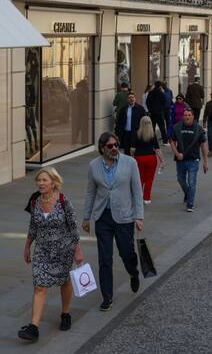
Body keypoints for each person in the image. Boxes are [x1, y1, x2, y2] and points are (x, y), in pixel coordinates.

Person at [18, 168, 83, 342]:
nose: (40, 183)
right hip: (42, 251)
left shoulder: (63, 201)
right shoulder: (34, 202)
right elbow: (33, 226)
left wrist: (77, 250)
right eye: (38, 180)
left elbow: (73, 227)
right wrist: (27, 247)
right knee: (39, 286)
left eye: (44, 180)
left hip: (63, 250)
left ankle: (65, 313)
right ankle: (33, 327)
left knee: (65, 281)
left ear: (53, 182)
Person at [82, 132, 143, 312]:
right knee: (105, 258)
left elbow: (137, 191)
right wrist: (86, 217)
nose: (114, 148)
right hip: (103, 218)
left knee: (127, 253)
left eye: (116, 144)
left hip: (124, 217)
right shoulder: (93, 166)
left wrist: (139, 217)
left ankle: (133, 272)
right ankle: (107, 297)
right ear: (102, 148)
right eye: (110, 146)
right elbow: (90, 192)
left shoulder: (130, 163)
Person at [169, 108, 209, 213]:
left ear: (193, 116)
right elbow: (172, 141)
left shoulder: (198, 129)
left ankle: (190, 204)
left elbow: (203, 146)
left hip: (193, 160)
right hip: (180, 160)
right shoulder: (177, 127)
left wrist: (205, 162)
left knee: (192, 182)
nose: (187, 117)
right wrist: (177, 154)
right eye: (185, 115)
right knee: (180, 179)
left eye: (189, 115)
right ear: (183, 116)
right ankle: (187, 193)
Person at [130, 116, 164, 204]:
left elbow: (132, 149)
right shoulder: (152, 134)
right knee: (149, 179)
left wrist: (132, 156)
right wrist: (162, 160)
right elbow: (157, 149)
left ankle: (138, 197)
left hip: (139, 158)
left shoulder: (136, 133)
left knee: (139, 178)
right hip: (151, 158)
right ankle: (147, 198)